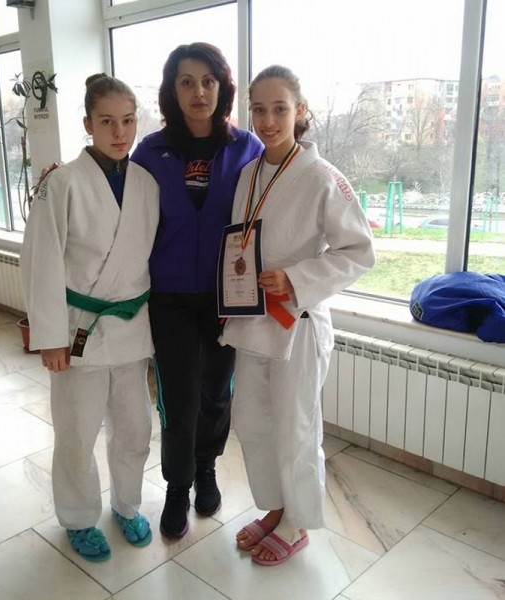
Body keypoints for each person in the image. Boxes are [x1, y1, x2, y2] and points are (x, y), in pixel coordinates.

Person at [220, 65, 375, 566]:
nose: (268, 121)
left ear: (300, 110)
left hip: (297, 322)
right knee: (252, 421)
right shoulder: (248, 174)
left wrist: (296, 279)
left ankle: (298, 523)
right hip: (251, 319)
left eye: (279, 109)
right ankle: (276, 506)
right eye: (259, 110)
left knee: (296, 428)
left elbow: (358, 251)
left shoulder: (323, 176)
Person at [20, 73, 160, 562]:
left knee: (135, 428)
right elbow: (40, 261)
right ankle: (79, 516)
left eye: (128, 121)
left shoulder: (147, 184)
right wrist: (49, 337)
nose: (120, 132)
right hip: (80, 325)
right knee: (77, 432)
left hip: (132, 327)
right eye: (107, 122)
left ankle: (126, 503)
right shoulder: (61, 184)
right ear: (88, 124)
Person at [131, 43, 263, 538]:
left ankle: (206, 468)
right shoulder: (150, 152)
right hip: (170, 298)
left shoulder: (247, 148)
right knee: (179, 398)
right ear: (172, 90)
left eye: (208, 80)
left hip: (228, 297)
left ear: (222, 87)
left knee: (216, 393)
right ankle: (176, 486)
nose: (199, 91)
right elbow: (121, 206)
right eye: (186, 81)